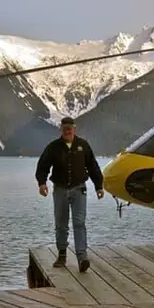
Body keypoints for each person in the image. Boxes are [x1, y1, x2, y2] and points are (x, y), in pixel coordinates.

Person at [36, 116, 103, 272]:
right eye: (65, 127)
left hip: (79, 190)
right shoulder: (53, 147)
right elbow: (43, 166)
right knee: (61, 224)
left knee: (79, 223)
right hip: (59, 189)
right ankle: (62, 255)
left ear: (75, 129)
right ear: (61, 129)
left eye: (70, 127)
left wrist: (99, 186)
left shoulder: (83, 146)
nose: (67, 130)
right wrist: (42, 183)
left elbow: (93, 166)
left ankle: (82, 258)